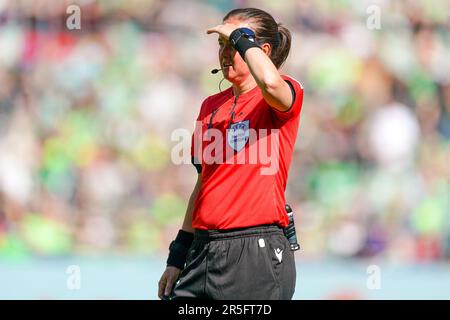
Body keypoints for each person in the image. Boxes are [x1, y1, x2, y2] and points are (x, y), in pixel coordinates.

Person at [158, 7, 304, 300]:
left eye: (233, 45)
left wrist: (240, 37)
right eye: (221, 45)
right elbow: (203, 185)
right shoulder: (210, 105)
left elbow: (271, 83)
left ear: (261, 50)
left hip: (254, 252)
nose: (225, 52)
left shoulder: (284, 92)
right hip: (203, 250)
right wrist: (178, 255)